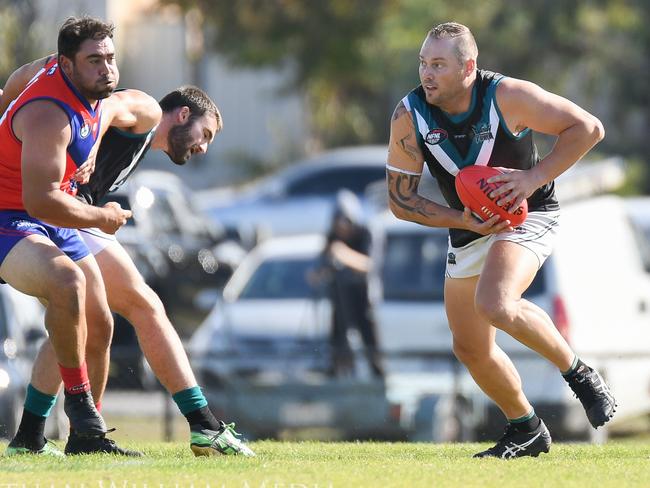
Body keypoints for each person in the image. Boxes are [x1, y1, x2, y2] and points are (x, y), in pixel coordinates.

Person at [386, 22, 614, 459]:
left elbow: (588, 128)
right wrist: (461, 218)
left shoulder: (507, 96)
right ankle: (525, 428)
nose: (426, 74)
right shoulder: (409, 114)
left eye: (438, 64)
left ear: (469, 67)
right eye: (422, 63)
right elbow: (400, 199)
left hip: (527, 215)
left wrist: (532, 178)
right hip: (469, 225)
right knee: (470, 346)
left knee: (495, 303)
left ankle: (580, 373)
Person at [1, 67, 255, 455]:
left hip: (64, 215)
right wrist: (88, 146)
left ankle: (35, 436)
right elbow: (109, 105)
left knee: (77, 323)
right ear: (183, 114)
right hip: (53, 214)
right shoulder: (149, 109)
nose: (203, 147)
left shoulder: (141, 145)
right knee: (141, 305)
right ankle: (202, 425)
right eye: (206, 135)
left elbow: (24, 80)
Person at [0, 16, 138, 456]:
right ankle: (82, 414)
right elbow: (40, 202)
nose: (107, 69)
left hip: (48, 216)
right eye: (94, 60)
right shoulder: (47, 112)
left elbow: (148, 109)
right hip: (10, 217)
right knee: (67, 283)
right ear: (66, 64)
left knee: (98, 323)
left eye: (110, 58)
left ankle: (66, 439)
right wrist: (101, 217)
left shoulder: (89, 88)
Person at [319, 190, 384, 379]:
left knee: (370, 342)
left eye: (345, 223)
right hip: (340, 297)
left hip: (363, 297)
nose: (341, 229)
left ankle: (377, 377)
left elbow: (369, 265)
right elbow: (324, 263)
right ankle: (335, 375)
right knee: (338, 342)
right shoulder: (333, 236)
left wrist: (343, 254)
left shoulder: (366, 232)